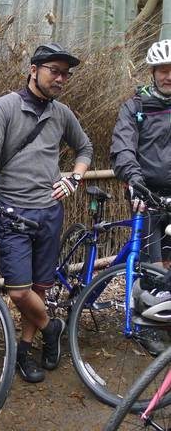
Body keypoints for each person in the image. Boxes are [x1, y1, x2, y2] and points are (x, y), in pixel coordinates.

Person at [0, 43, 93, 383]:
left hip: (49, 212)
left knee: (38, 289)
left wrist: (74, 179)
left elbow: (85, 148)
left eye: (65, 74)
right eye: (54, 71)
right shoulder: (5, 106)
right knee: (18, 291)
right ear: (33, 69)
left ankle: (25, 350)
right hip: (12, 212)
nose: (60, 78)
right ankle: (51, 327)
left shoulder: (62, 114)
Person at [110, 39, 171, 354]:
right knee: (154, 265)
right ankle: (146, 325)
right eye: (163, 69)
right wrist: (133, 179)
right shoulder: (136, 105)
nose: (169, 76)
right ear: (153, 72)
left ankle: (162, 314)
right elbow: (122, 146)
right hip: (146, 194)